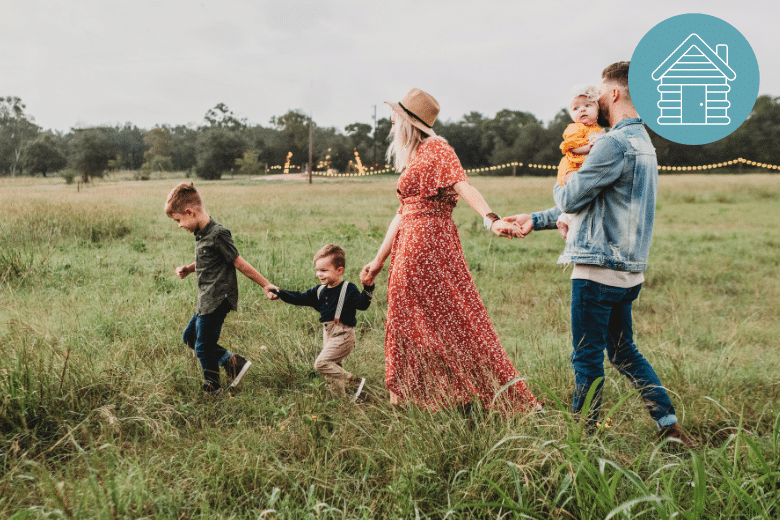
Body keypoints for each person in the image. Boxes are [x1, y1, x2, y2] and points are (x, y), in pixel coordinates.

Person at [505, 62, 695, 446]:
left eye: (600, 93)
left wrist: (564, 179)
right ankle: (668, 425)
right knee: (624, 352)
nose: (594, 101)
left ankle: (583, 439)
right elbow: (597, 203)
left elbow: (573, 196)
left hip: (596, 270)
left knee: (586, 357)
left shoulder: (611, 143)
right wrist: (537, 219)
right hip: (628, 272)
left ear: (615, 93)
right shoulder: (643, 142)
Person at [360, 87, 540, 414]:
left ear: (408, 122)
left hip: (428, 245)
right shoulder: (416, 156)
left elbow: (463, 185)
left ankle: (463, 393)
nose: (389, 123)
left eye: (394, 118)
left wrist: (491, 219)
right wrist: (377, 260)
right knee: (411, 319)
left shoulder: (437, 148)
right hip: (411, 245)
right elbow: (402, 213)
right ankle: (414, 397)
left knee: (452, 319)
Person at [165, 182, 279, 394]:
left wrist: (266, 285)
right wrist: (190, 269)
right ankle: (233, 363)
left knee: (203, 346)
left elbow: (238, 262)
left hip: (218, 298)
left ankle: (213, 386)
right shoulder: (201, 234)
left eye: (178, 220)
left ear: (189, 212)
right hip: (206, 298)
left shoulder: (218, 234)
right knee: (189, 337)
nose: (179, 225)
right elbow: (207, 260)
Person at [271, 244, 373, 401]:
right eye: (317, 270)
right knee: (333, 371)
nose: (319, 274)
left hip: (344, 335)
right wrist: (279, 293)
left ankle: (353, 381)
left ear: (340, 270)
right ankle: (341, 402)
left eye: (324, 270)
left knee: (322, 364)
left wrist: (368, 288)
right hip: (328, 334)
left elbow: (363, 305)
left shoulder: (348, 289)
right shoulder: (319, 291)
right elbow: (299, 297)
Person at [556, 85, 605, 231]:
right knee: (577, 189)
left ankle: (565, 218)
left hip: (584, 166)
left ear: (597, 109)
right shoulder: (575, 128)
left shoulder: (598, 129)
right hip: (572, 166)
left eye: (587, 105)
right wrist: (587, 148)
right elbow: (570, 147)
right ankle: (567, 218)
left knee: (587, 193)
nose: (582, 110)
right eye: (575, 108)